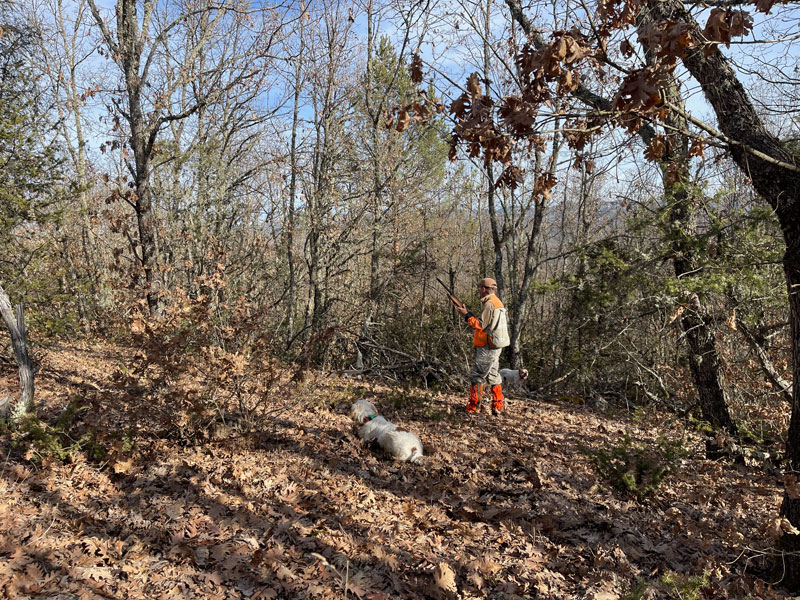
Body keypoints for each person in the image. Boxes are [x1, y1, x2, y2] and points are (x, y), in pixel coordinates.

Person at [456, 277, 506, 415]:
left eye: (480, 288)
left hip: (488, 345)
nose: (479, 291)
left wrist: (465, 315)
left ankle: (473, 407)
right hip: (495, 345)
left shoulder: (489, 304)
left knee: (476, 375)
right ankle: (498, 406)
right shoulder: (497, 302)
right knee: (493, 375)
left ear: (483, 289)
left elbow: (479, 325)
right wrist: (468, 313)